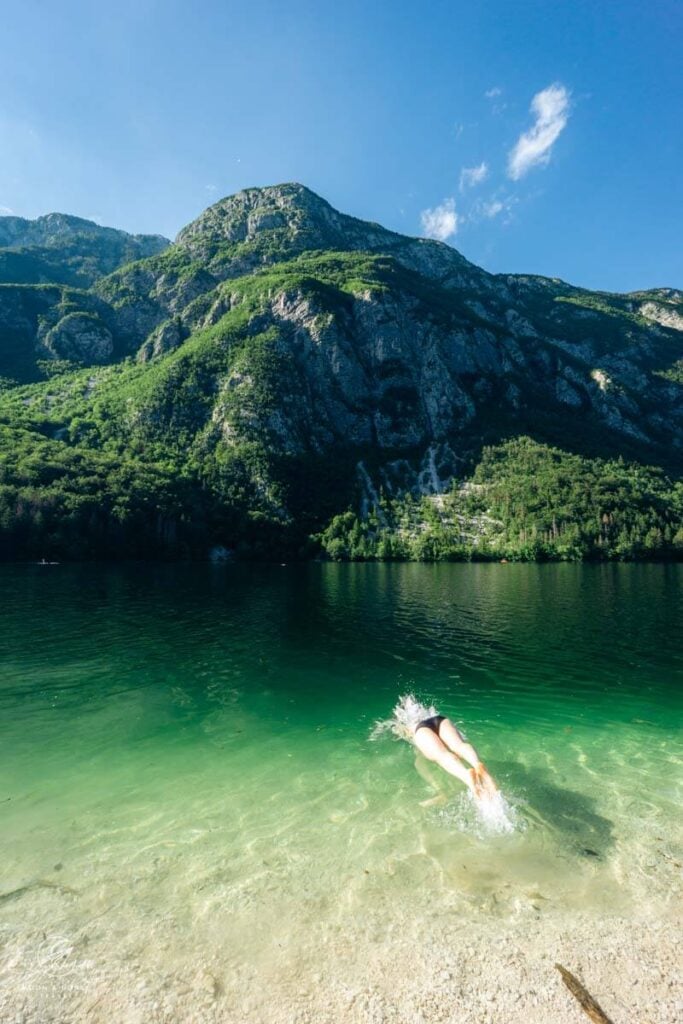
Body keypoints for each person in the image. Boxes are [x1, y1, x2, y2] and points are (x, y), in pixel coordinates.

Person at [389, 695, 498, 801]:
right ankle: (477, 763)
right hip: (439, 720)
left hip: (420, 730)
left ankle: (466, 776)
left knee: (439, 756)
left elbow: (409, 740)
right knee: (459, 745)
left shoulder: (405, 725)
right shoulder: (426, 713)